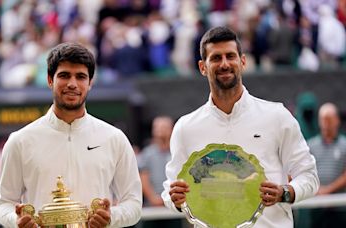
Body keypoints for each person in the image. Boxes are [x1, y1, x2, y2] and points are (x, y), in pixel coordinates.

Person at [161, 26, 319, 227]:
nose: (225, 64)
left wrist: (284, 193)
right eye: (216, 58)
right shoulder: (185, 127)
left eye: (230, 56)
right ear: (203, 67)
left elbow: (309, 176)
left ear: (242, 61)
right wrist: (174, 200)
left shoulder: (277, 116)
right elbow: (170, 190)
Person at [0, 42, 142, 228]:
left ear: (90, 83)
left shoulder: (114, 138)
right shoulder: (20, 140)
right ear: (49, 80)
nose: (72, 84)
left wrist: (111, 217)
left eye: (80, 77)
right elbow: (3, 203)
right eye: (64, 75)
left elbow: (134, 203)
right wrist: (17, 221)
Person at [137, 116, 182, 228]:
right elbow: (143, 177)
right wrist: (154, 199)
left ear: (172, 129)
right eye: (157, 127)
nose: (160, 130)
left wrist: (172, 198)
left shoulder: (177, 153)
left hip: (174, 207)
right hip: (151, 209)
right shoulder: (147, 154)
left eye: (164, 127)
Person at [308, 102, 346, 227]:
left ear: (337, 120)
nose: (326, 123)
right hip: (315, 206)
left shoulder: (344, 145)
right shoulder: (310, 145)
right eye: (323, 119)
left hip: (339, 207)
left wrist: (328, 190)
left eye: (329, 119)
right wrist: (318, 190)